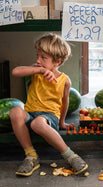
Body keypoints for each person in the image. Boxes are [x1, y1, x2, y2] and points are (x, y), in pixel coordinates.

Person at [9, 33, 88, 176]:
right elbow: (15, 72)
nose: (38, 60)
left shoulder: (65, 80)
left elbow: (65, 102)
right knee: (15, 111)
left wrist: (62, 122)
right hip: (30, 115)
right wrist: (39, 69)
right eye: (37, 56)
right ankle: (31, 156)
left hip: (49, 117)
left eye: (43, 58)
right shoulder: (36, 70)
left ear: (57, 61)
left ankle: (70, 155)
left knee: (38, 123)